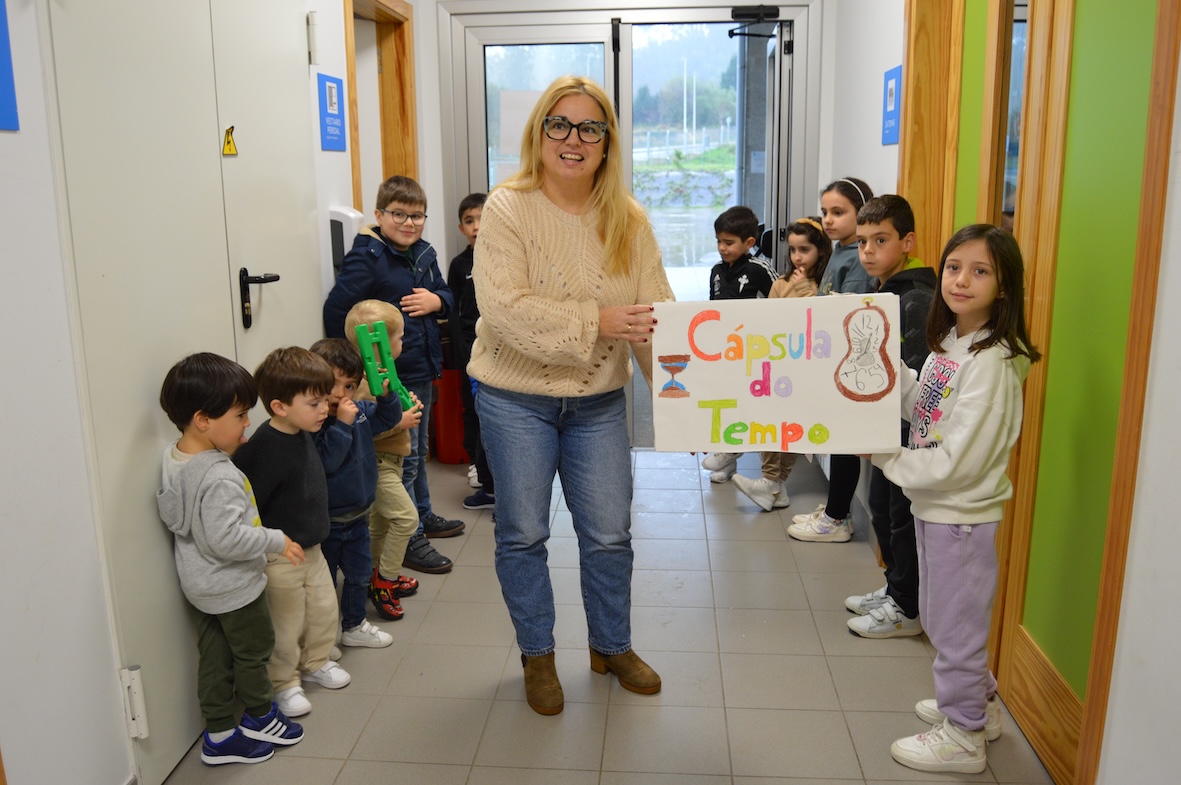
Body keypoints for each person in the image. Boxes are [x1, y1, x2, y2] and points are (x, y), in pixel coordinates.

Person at [468, 75, 674, 716]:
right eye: (559, 124)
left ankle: (611, 646)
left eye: (590, 127)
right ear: (539, 133)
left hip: (598, 403)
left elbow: (657, 315)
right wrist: (598, 321)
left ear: (608, 142)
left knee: (610, 534)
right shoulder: (507, 208)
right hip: (514, 399)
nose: (573, 139)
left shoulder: (628, 218)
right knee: (524, 534)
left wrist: (687, 407)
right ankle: (538, 654)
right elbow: (503, 308)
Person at [873, 224, 1040, 773]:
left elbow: (955, 463)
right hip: (937, 509)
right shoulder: (956, 344)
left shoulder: (991, 365)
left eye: (981, 270)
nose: (961, 280)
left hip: (960, 517)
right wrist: (883, 372)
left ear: (1005, 287)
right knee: (951, 621)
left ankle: (965, 735)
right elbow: (926, 406)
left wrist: (881, 456)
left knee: (953, 628)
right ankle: (980, 704)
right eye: (953, 267)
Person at [156, 353, 306, 765]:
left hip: (200, 584)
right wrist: (275, 540)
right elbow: (226, 538)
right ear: (203, 419)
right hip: (233, 585)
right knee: (254, 651)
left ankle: (220, 734)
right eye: (240, 415)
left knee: (216, 658)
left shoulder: (175, 460)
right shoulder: (219, 475)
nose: (246, 425)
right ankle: (260, 716)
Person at [322, 175, 464, 575]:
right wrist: (361, 369)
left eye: (417, 215)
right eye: (399, 214)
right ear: (380, 214)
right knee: (405, 454)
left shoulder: (424, 253)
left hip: (422, 365)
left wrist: (436, 300)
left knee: (418, 450)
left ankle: (422, 515)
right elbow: (338, 312)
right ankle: (411, 535)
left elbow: (447, 298)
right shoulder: (367, 257)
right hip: (390, 377)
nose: (409, 223)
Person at [232, 347, 350, 718]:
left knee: (322, 611)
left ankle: (315, 664)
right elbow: (249, 503)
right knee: (285, 623)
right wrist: (271, 546)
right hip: (280, 554)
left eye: (324, 401)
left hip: (313, 548)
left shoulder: (303, 431)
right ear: (280, 407)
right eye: (314, 403)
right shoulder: (266, 448)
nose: (324, 410)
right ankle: (284, 683)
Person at [842, 195, 935, 639]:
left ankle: (906, 608)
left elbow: (912, 377)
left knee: (901, 517)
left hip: (905, 435)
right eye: (863, 242)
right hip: (883, 433)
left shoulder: (915, 298)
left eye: (881, 240)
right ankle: (895, 587)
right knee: (881, 508)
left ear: (907, 241)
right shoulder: (883, 291)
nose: (869, 251)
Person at [787, 176, 876, 543]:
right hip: (834, 361)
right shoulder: (840, 249)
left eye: (838, 212)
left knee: (845, 443)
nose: (828, 219)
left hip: (850, 364)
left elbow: (847, 310)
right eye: (825, 211)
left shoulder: (858, 256)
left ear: (863, 213)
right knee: (838, 439)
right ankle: (834, 510)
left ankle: (838, 517)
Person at [309, 337, 408, 644]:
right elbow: (326, 462)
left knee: (359, 576)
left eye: (349, 386)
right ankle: (322, 636)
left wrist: (387, 393)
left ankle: (353, 626)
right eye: (332, 385)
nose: (340, 394)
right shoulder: (316, 423)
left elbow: (389, 419)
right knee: (324, 583)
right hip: (328, 522)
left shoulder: (361, 410)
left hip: (359, 515)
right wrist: (341, 424)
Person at [730, 217, 832, 510]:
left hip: (807, 369)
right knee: (769, 421)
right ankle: (771, 482)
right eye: (793, 250)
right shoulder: (781, 283)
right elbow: (770, 321)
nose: (797, 257)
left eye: (805, 250)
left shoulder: (821, 286)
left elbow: (820, 318)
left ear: (821, 251)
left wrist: (804, 292)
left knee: (794, 427)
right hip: (778, 365)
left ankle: (776, 483)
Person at [343, 300, 436, 621]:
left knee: (380, 525)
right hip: (378, 464)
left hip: (392, 463)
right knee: (406, 520)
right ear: (379, 345)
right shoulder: (365, 386)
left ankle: (373, 574)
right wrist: (401, 421)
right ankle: (386, 580)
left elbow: (390, 404)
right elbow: (363, 430)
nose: (403, 343)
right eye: (398, 338)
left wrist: (406, 402)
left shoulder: (383, 377)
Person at [700, 205, 778, 482]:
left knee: (745, 401)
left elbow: (781, 303)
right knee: (723, 400)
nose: (722, 248)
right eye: (719, 241)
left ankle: (731, 449)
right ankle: (727, 462)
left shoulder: (760, 269)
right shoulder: (716, 271)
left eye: (729, 243)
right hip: (723, 349)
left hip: (753, 353)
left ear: (749, 243)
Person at [446, 192, 497, 511]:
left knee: (495, 411)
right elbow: (451, 309)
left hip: (499, 348)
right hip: (469, 348)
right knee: (472, 407)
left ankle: (496, 476)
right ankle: (477, 463)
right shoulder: (459, 264)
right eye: (469, 221)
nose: (477, 226)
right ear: (461, 227)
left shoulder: (503, 258)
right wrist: (458, 352)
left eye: (482, 218)